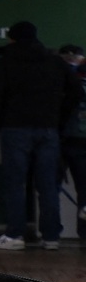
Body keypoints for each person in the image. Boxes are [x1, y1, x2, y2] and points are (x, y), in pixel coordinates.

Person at [0, 21, 77, 250]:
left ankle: (15, 235)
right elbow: (75, 92)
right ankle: (51, 237)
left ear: (12, 38)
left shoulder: (4, 63)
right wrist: (59, 120)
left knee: (15, 183)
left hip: (14, 128)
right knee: (48, 184)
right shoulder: (55, 61)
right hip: (48, 129)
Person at [61, 45, 86, 238]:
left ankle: (50, 235)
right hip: (77, 139)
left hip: (61, 137)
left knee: (48, 188)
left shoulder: (57, 77)